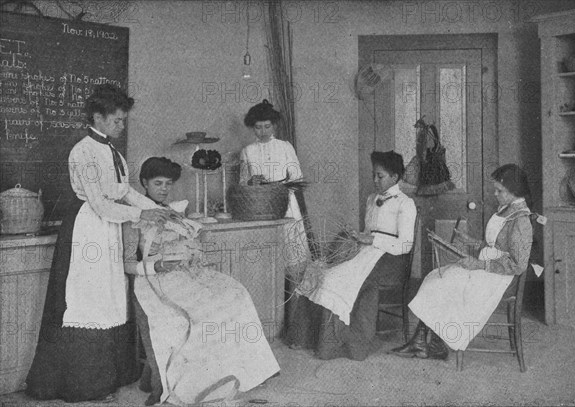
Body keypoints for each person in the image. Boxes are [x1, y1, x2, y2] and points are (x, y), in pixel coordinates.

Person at [26, 85, 174, 403]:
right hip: (87, 231)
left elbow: (123, 192)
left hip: (109, 230)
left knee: (110, 299)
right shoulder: (83, 151)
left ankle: (108, 380)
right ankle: (83, 385)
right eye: (117, 121)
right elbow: (100, 205)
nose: (122, 126)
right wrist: (143, 213)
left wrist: (160, 211)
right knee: (88, 300)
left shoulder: (114, 153)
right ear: (98, 117)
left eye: (123, 121)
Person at [124, 156, 281, 405]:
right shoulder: (133, 217)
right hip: (155, 281)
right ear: (144, 182)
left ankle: (247, 370)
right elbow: (128, 264)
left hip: (184, 275)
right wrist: (159, 265)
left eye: (168, 184)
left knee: (235, 295)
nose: (164, 189)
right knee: (202, 314)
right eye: (158, 183)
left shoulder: (174, 211)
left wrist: (192, 245)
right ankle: (186, 385)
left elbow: (191, 240)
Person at [389, 164, 533, 359]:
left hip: (500, 278)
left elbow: (518, 265)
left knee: (445, 282)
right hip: (489, 269)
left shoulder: (521, 220)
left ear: (515, 192)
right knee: (436, 277)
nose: (495, 194)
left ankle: (426, 342)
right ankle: (426, 341)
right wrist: (471, 241)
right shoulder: (507, 209)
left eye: (500, 191)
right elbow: (496, 246)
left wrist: (480, 265)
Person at [286, 150, 417, 361]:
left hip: (389, 258)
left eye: (380, 176)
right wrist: (357, 237)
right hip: (367, 252)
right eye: (374, 175)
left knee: (334, 279)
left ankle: (337, 345)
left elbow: (405, 245)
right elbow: (368, 232)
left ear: (395, 177)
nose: (375, 180)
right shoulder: (372, 199)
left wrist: (372, 240)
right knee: (321, 270)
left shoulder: (405, 203)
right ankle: (305, 336)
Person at [239, 99, 309, 268]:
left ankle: (294, 292)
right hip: (259, 204)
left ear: (274, 126)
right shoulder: (247, 151)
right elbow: (242, 183)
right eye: (258, 127)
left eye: (267, 126)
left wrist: (280, 189)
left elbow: (297, 177)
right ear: (252, 127)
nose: (263, 131)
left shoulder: (285, 147)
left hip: (285, 201)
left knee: (292, 249)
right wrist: (251, 182)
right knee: (266, 252)